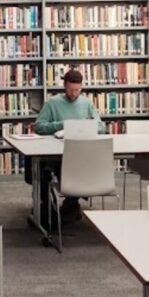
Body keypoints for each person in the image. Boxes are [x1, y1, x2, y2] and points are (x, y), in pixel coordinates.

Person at [33, 68, 104, 225]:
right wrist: (62, 125)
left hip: (82, 154)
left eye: (77, 90)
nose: (73, 94)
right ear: (64, 86)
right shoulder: (53, 103)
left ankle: (71, 203)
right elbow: (39, 126)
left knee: (78, 166)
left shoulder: (86, 103)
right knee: (49, 167)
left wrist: (87, 126)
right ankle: (50, 206)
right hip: (58, 152)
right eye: (71, 90)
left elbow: (101, 127)